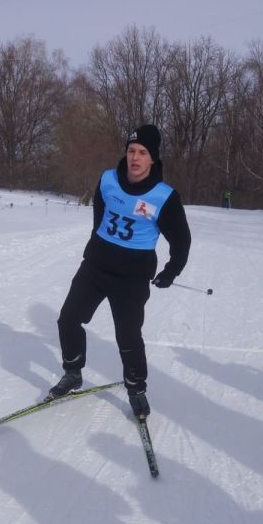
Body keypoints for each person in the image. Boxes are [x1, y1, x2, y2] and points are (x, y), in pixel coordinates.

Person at [48, 124, 191, 417]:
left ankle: (136, 388)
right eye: (131, 151)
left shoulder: (164, 197)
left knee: (127, 335)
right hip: (96, 266)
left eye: (142, 153)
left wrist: (171, 270)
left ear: (153, 158)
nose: (135, 158)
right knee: (68, 320)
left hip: (132, 277)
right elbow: (99, 216)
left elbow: (181, 239)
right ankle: (73, 372)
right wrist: (99, 244)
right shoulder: (108, 180)